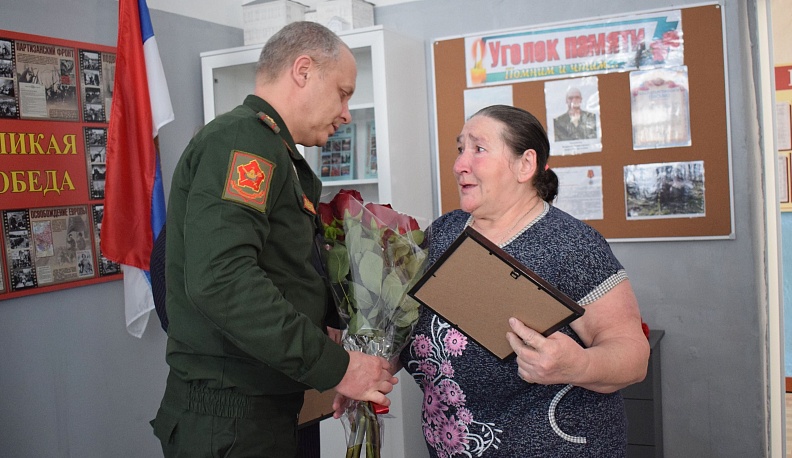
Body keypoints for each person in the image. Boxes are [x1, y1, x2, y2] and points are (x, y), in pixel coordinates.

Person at [151, 21, 397, 458]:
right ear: (303, 71)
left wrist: (340, 365)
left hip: (258, 410)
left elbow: (284, 273)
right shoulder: (244, 141)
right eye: (342, 92)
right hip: (231, 419)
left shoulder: (270, 147)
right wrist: (337, 368)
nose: (345, 112)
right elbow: (222, 280)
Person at [398, 105, 649, 456]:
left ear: (525, 165)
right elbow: (406, 320)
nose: (459, 165)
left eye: (478, 149)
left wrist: (578, 365)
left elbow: (634, 356)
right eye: (460, 149)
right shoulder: (443, 232)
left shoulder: (573, 244)